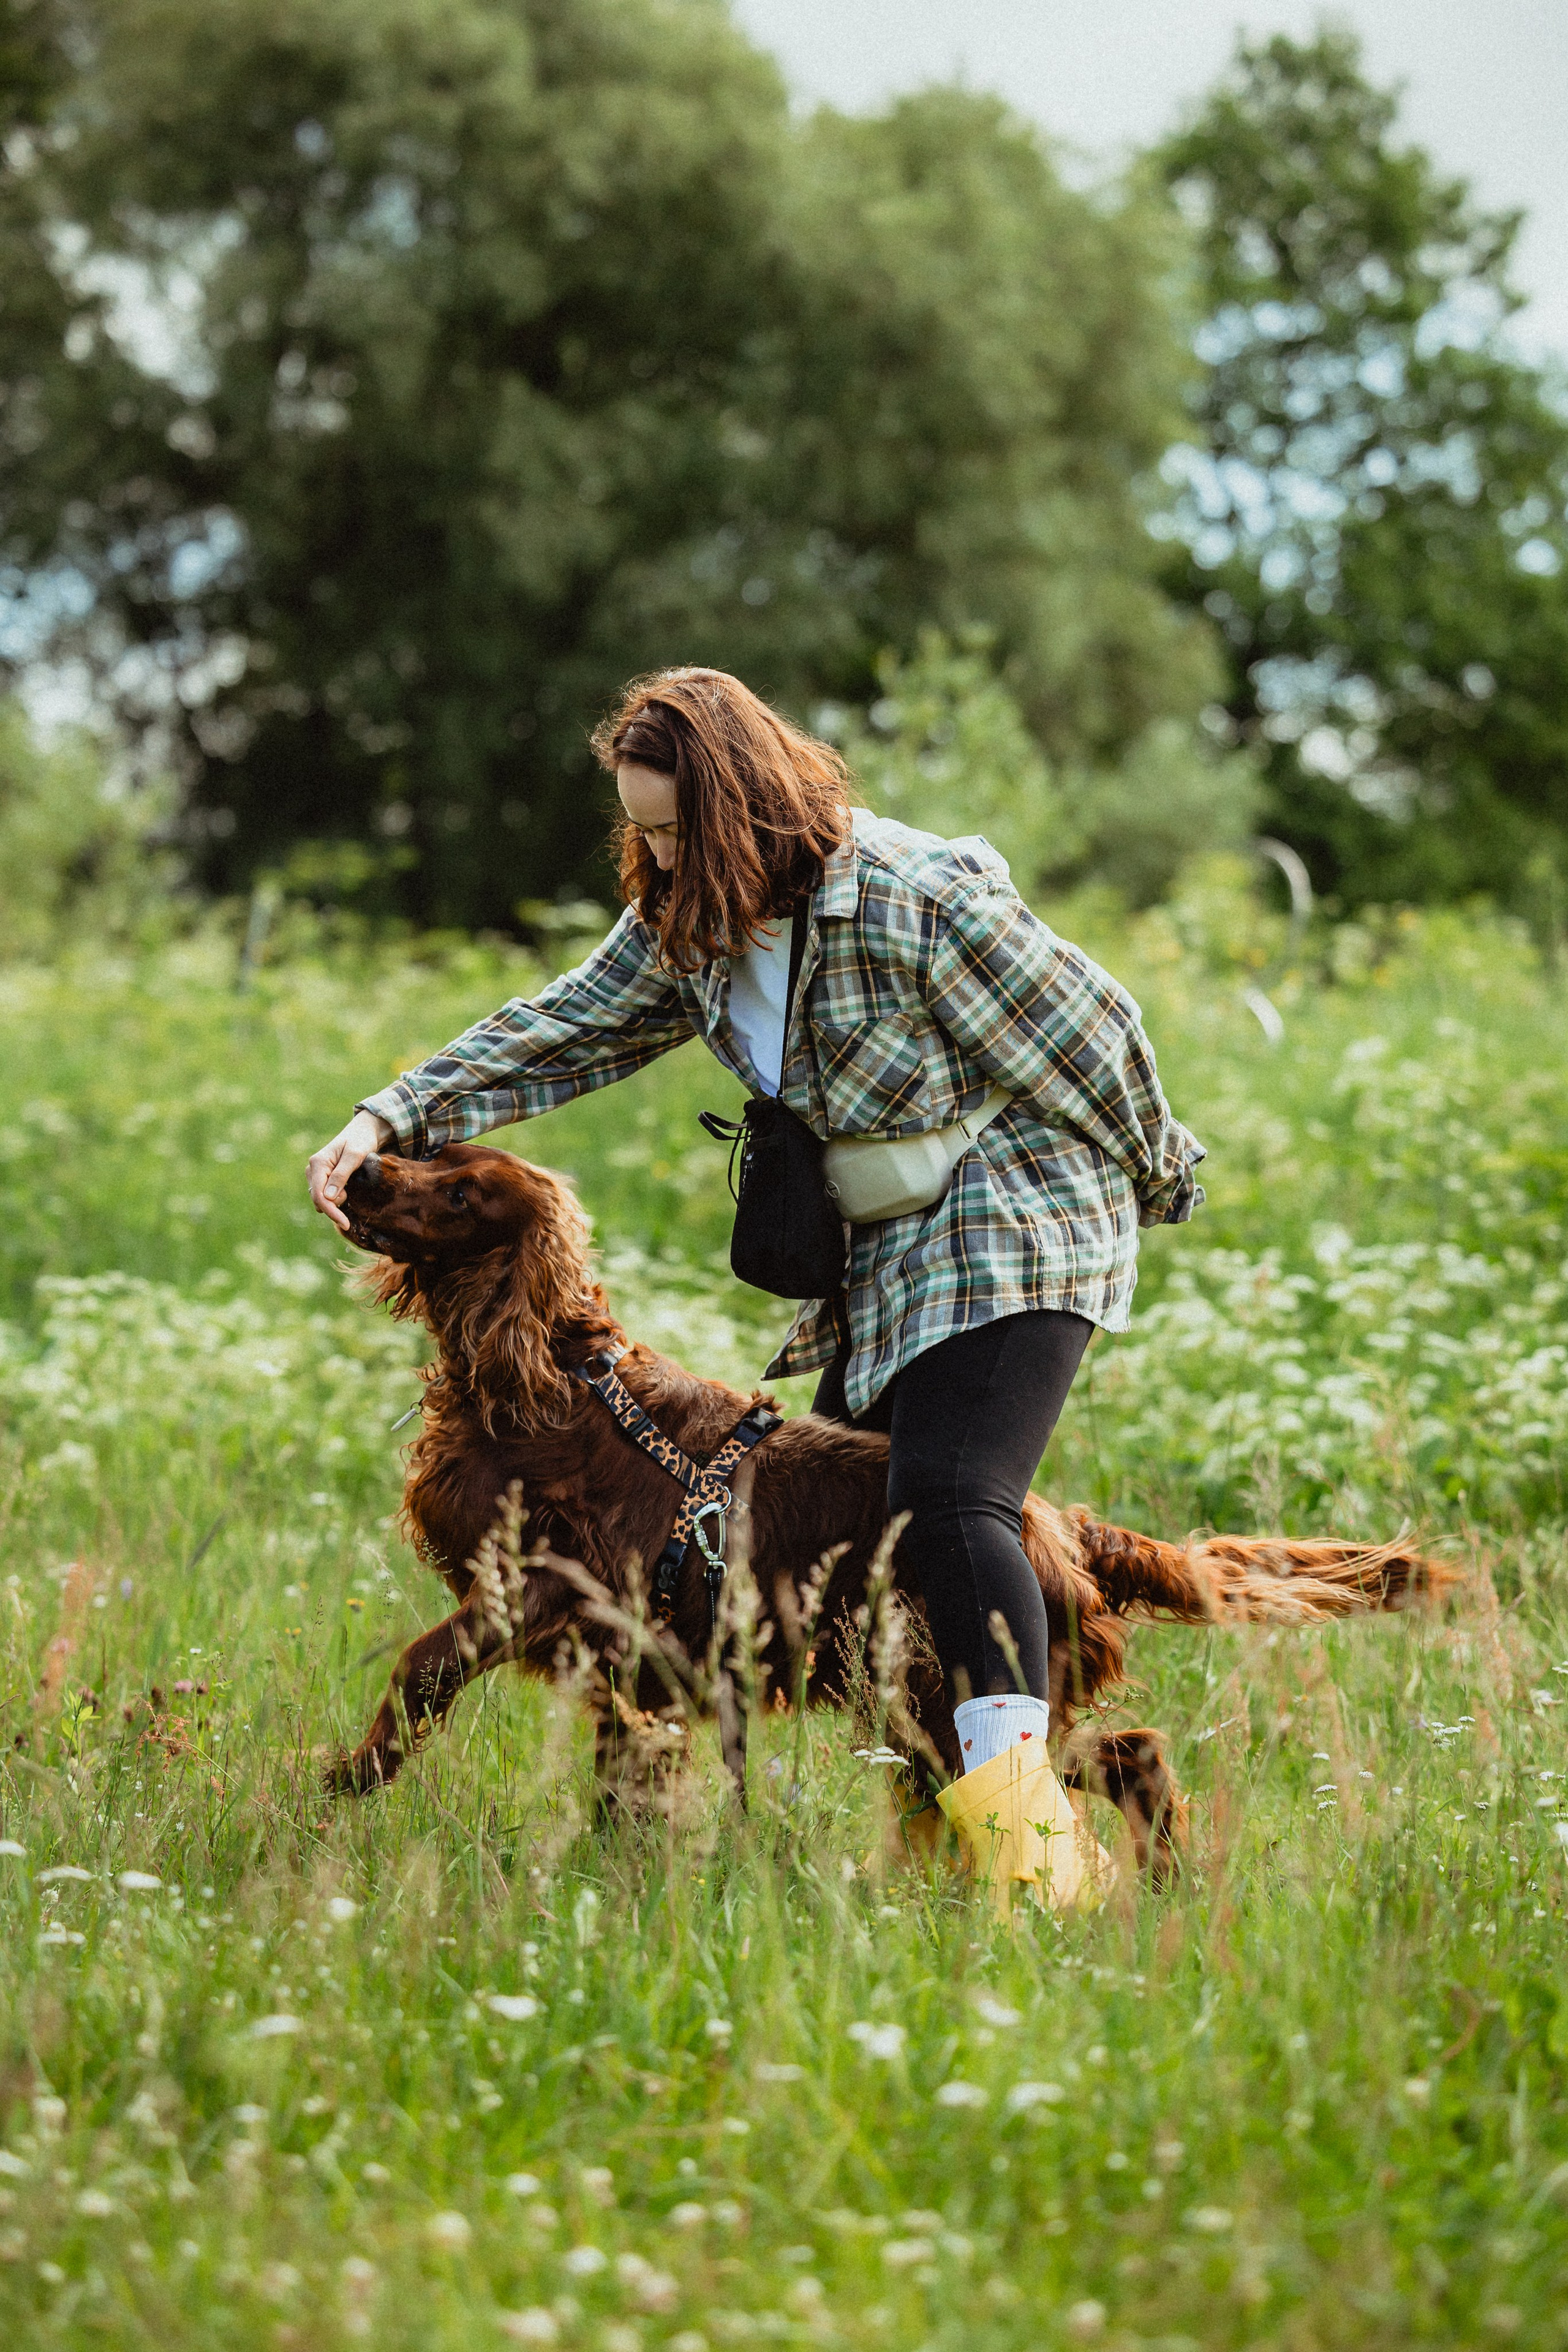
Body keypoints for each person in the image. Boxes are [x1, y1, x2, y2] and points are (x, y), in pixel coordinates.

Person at [308, 666, 1204, 1898]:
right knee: (863, 1539)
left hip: (1019, 1209)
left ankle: (1031, 1861)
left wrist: (1161, 1179)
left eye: (676, 829)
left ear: (740, 804)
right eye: (642, 831)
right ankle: (958, 1838)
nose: (658, 856)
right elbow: (561, 1026)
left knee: (945, 1498)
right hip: (883, 1250)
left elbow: (1093, 1030)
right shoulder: (687, 925)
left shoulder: (911, 893)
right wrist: (388, 1115)